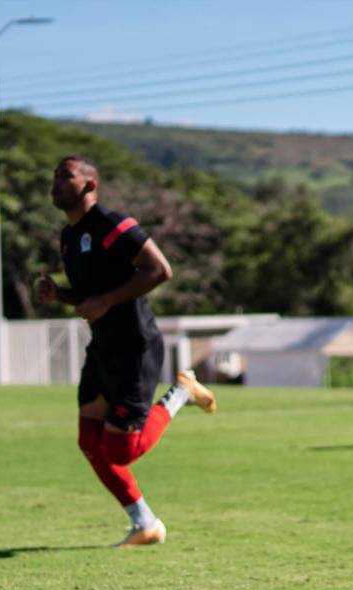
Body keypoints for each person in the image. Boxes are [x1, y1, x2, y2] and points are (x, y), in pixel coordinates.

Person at [36, 155, 216, 548]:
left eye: (66, 176)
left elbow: (159, 269)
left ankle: (182, 392)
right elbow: (91, 297)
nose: (56, 182)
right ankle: (145, 522)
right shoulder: (69, 236)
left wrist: (104, 300)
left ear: (90, 184)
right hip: (103, 348)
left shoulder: (112, 224)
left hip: (135, 347)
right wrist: (60, 295)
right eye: (54, 176)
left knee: (120, 451)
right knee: (90, 442)